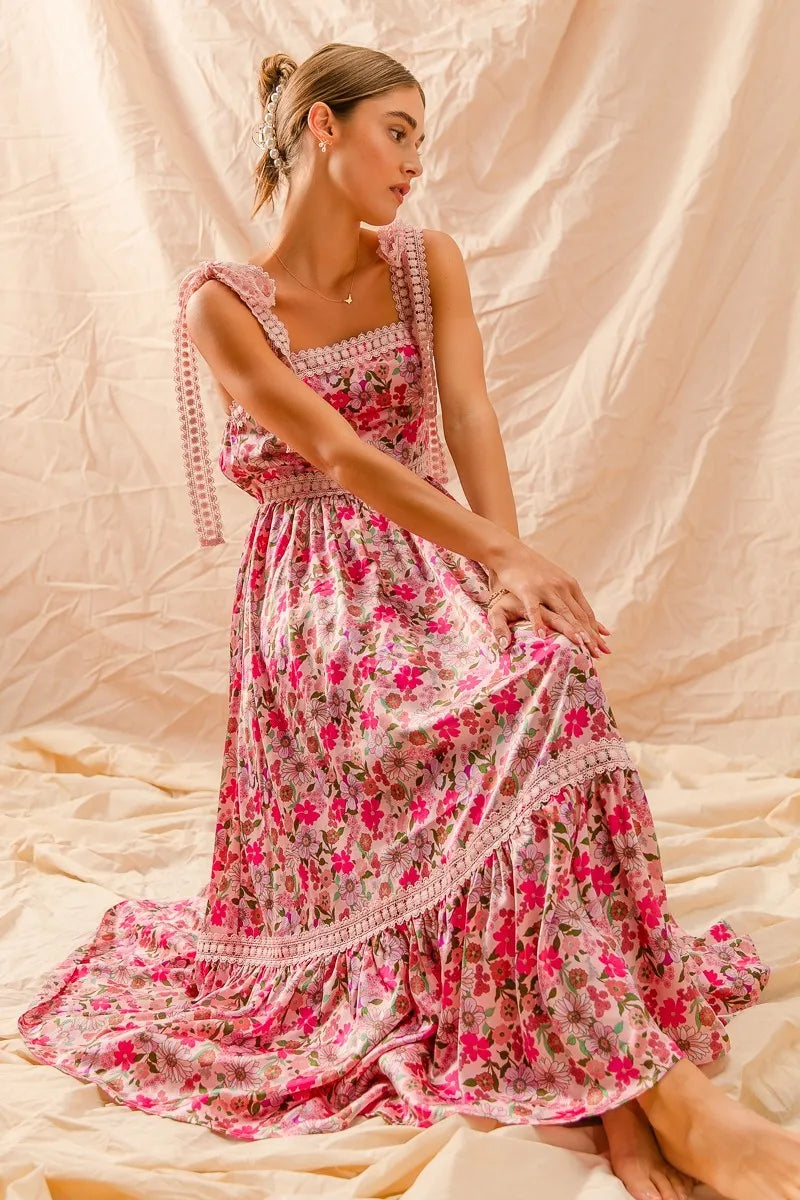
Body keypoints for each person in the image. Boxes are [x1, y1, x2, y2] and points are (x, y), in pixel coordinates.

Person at [17, 41, 800, 1200]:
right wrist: (500, 549)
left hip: (435, 555)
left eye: (420, 138)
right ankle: (651, 1101)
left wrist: (503, 569)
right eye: (396, 131)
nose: (414, 163)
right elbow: (333, 451)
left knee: (544, 677)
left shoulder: (426, 262)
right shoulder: (220, 304)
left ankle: (631, 1089)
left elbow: (470, 414)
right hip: (313, 598)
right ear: (322, 130)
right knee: (492, 724)